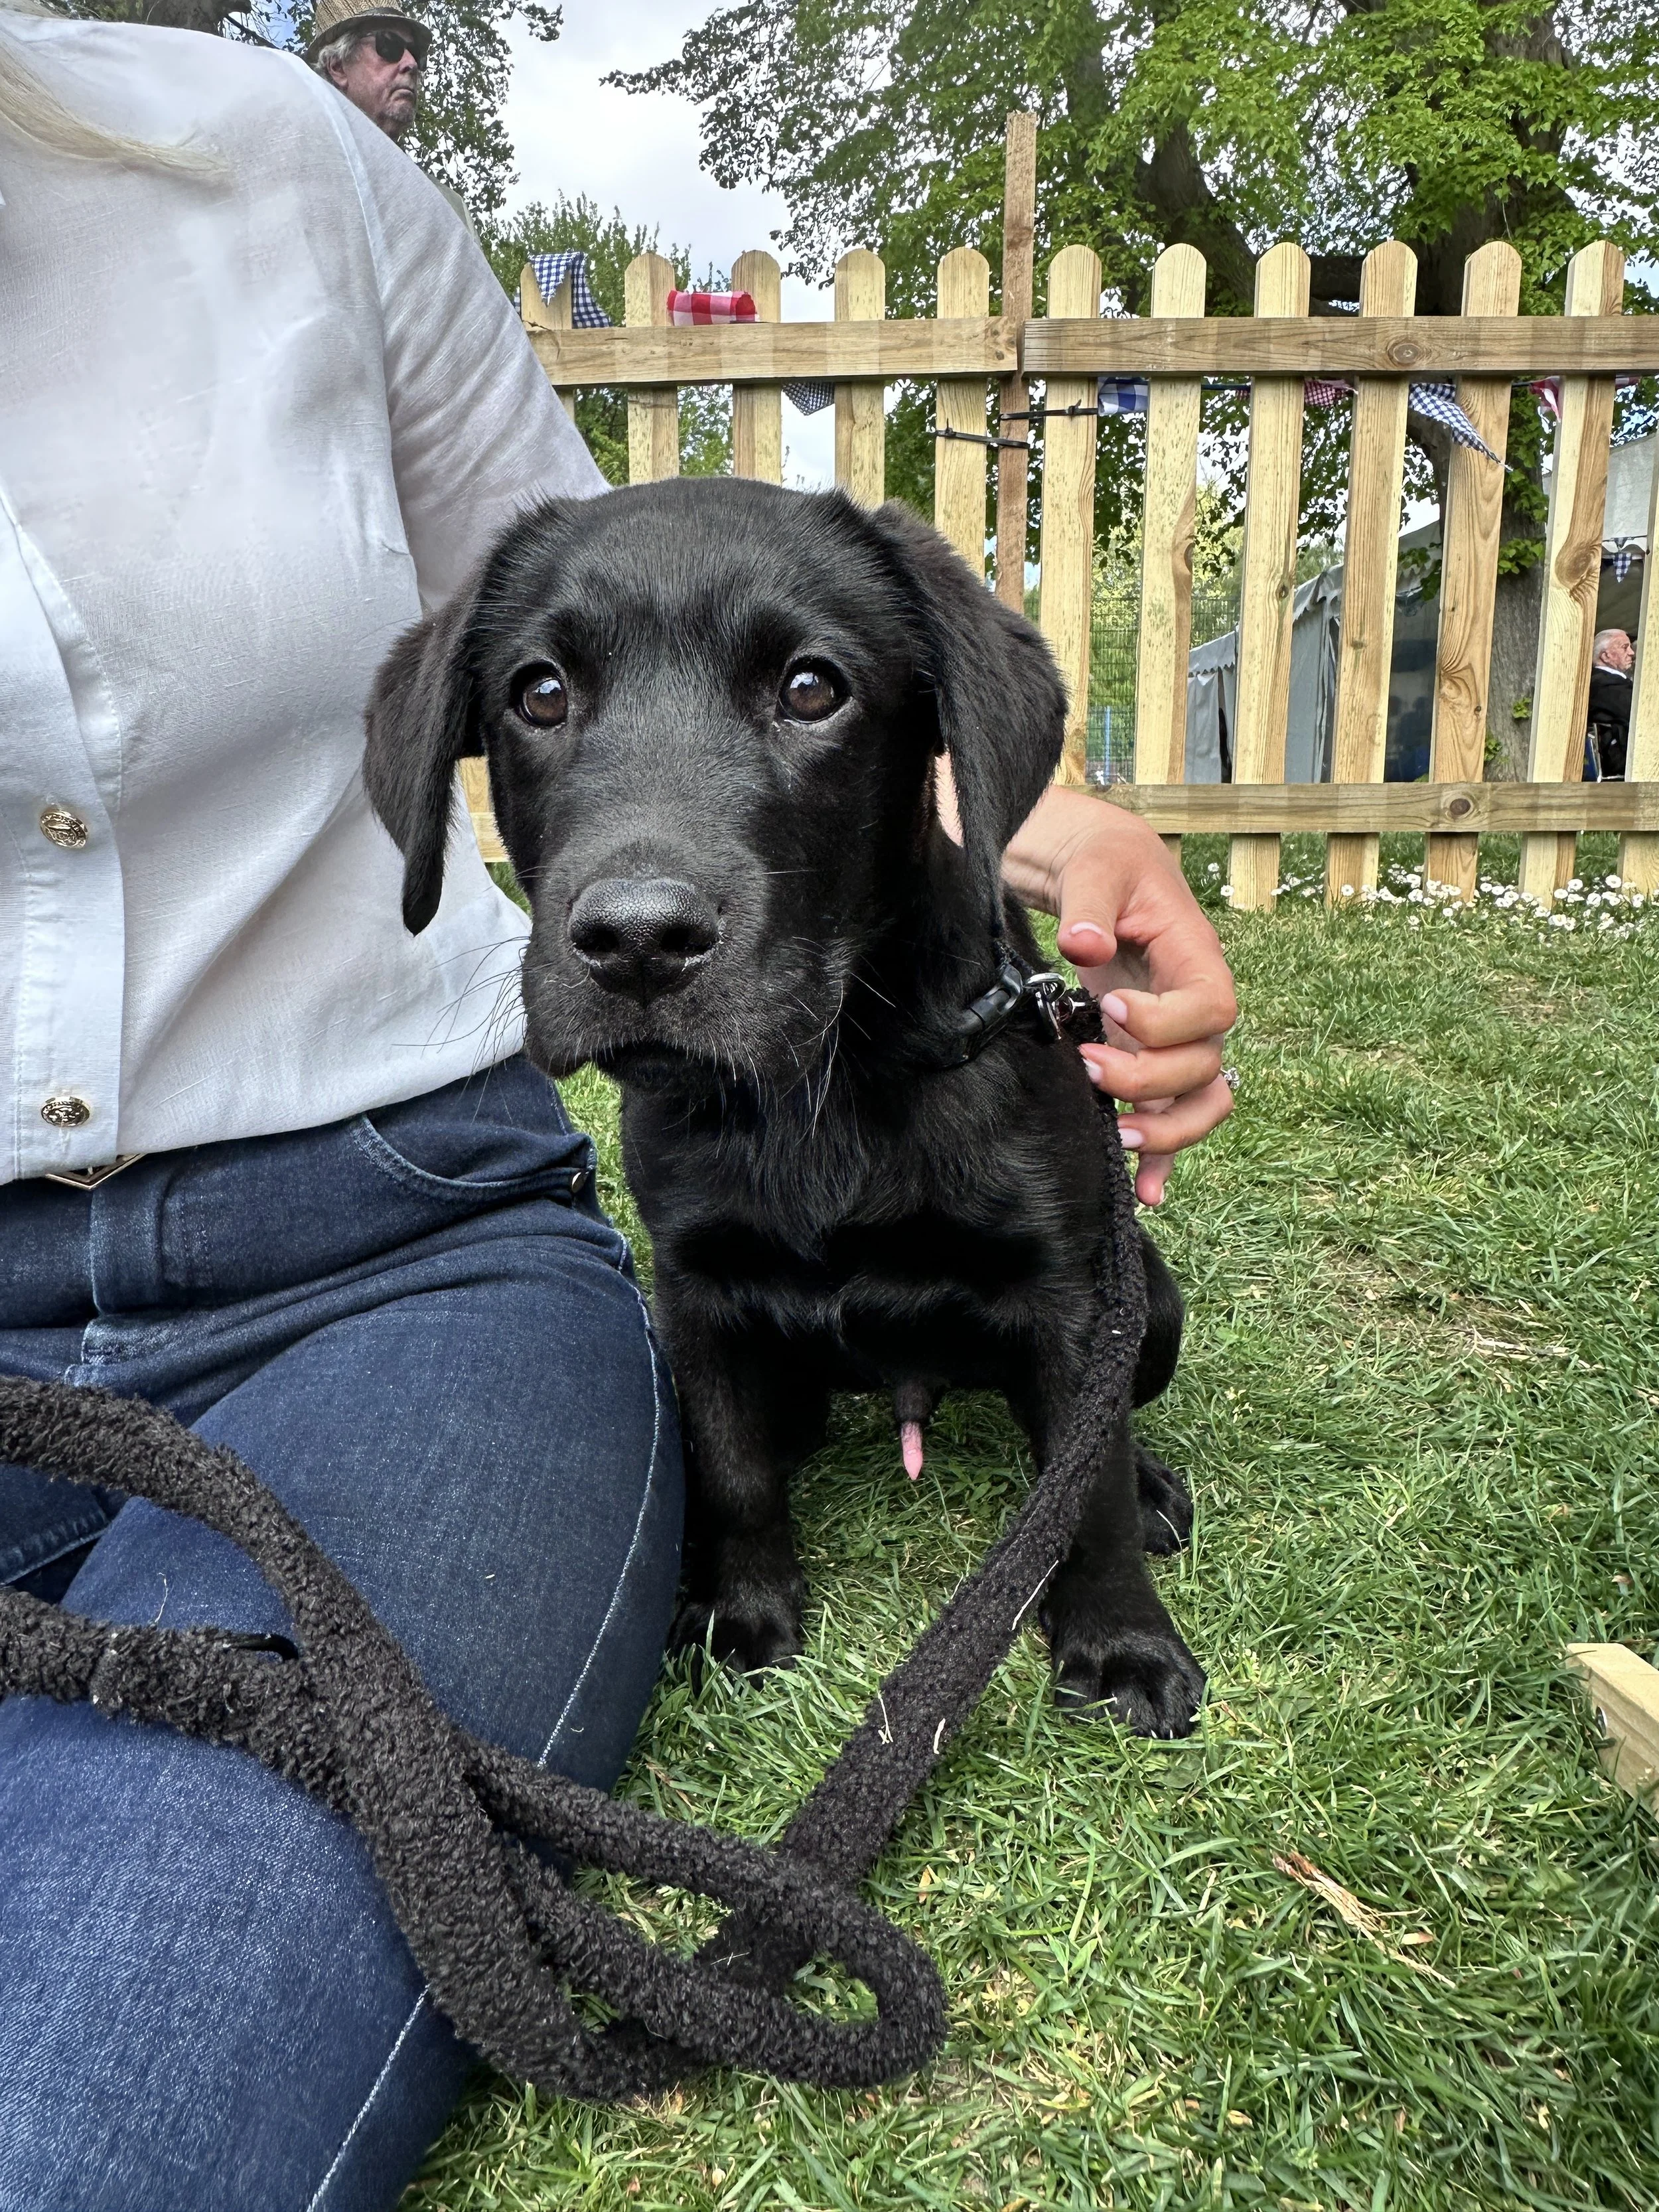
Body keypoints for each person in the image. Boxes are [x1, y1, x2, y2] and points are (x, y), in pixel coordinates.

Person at [0, 11, 1236, 2209]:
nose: (636, 878)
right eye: (547, 707)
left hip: (370, 1236)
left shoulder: (277, 162)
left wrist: (1058, 828)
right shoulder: (679, 1101)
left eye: (808, 695)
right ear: (481, 754)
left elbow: (604, 550)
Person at [1587, 626, 1634, 780]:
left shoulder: (1607, 682)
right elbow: (1639, 715)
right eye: (1624, 647)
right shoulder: (1605, 685)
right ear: (1606, 656)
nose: (1632, 653)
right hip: (1621, 757)